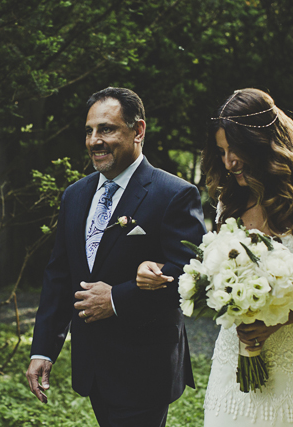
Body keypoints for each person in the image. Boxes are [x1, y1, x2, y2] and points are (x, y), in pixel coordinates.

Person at [136, 88, 293, 426]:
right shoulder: (230, 205)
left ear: (265, 142)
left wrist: (281, 317)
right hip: (231, 366)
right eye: (223, 151)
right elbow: (205, 270)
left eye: (237, 149)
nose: (229, 162)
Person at [26, 87, 207, 427]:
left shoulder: (175, 195)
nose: (94, 140)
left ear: (138, 131)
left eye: (106, 129)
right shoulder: (75, 196)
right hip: (93, 368)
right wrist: (43, 349)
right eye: (89, 131)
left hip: (144, 368)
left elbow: (191, 275)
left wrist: (116, 298)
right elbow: (59, 276)